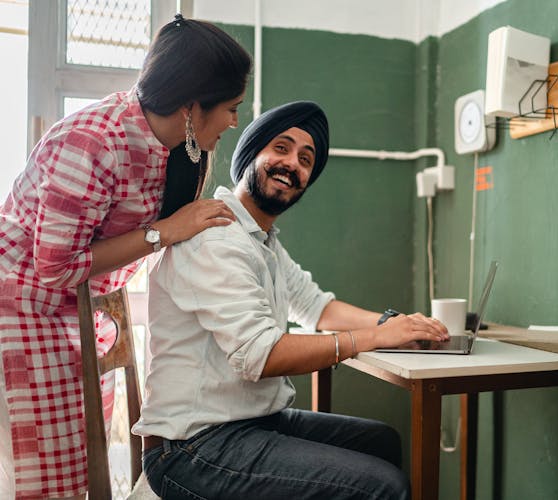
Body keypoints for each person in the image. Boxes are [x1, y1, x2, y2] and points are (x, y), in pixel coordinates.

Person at [133, 101, 449, 499]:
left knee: (383, 441)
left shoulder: (262, 239)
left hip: (249, 421)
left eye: (306, 159)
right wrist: (373, 338)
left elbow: (317, 307)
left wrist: (394, 326)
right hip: (191, 447)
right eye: (280, 149)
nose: (292, 164)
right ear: (252, 153)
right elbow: (259, 356)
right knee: (383, 488)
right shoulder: (217, 234)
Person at [0, 14, 252, 500]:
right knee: (46, 480)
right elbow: (54, 267)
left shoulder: (181, 151)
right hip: (21, 309)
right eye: (230, 107)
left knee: (84, 469)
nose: (233, 121)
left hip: (76, 314)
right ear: (189, 107)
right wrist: (163, 232)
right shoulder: (91, 142)